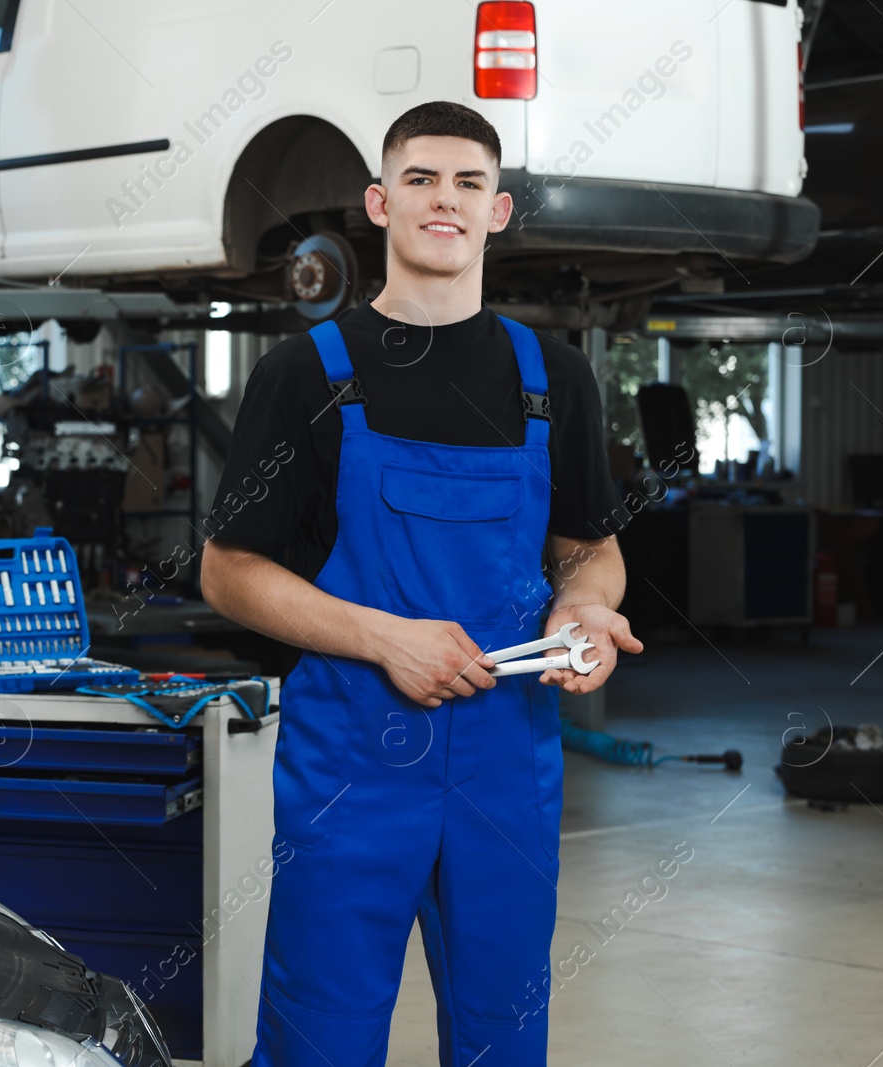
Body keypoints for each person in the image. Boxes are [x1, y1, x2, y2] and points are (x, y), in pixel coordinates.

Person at [199, 101, 644, 1066]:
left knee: (504, 1033)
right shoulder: (305, 373)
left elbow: (587, 549)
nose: (445, 200)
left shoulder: (553, 377)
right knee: (321, 1031)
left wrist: (584, 610)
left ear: (499, 211)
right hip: (353, 758)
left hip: (507, 753)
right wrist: (382, 637)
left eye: (469, 183)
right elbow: (228, 573)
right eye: (421, 179)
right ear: (378, 202)